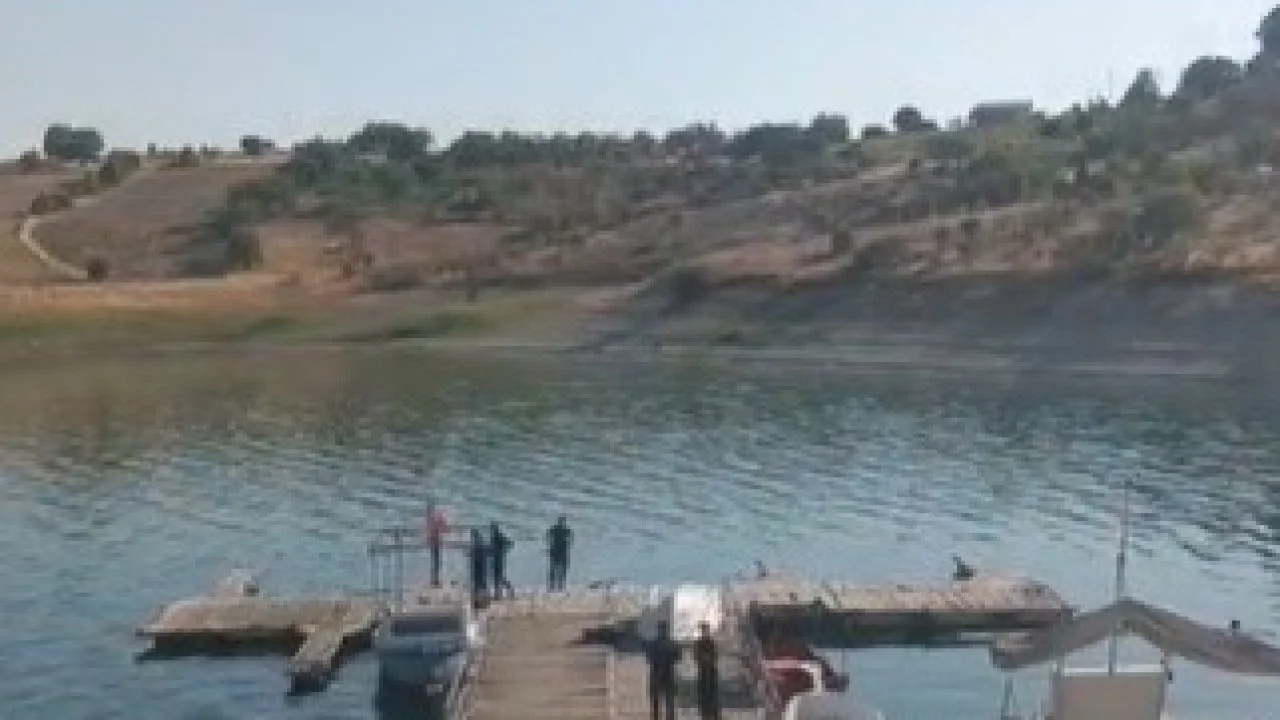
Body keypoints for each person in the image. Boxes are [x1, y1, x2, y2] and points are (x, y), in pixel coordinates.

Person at [645, 621, 681, 720]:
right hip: (665, 674)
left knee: (660, 703)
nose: (662, 631)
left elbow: (649, 658)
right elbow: (677, 657)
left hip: (658, 674)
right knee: (666, 702)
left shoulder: (654, 644)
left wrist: (660, 663)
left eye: (662, 629)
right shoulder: (671, 644)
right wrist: (667, 662)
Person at [693, 622, 721, 720]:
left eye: (706, 630)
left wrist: (708, 659)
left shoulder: (712, 642)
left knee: (713, 693)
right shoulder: (698, 643)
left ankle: (714, 713)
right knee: (703, 693)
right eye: (704, 630)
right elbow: (696, 656)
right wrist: (704, 659)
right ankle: (705, 713)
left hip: (711, 670)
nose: (705, 632)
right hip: (703, 671)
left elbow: (715, 655)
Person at [423, 504, 449, 588]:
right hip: (436, 541)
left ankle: (434, 579)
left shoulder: (430, 519)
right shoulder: (434, 518)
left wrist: (429, 538)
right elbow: (441, 528)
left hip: (434, 540)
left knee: (435, 561)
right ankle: (435, 580)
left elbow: (430, 530)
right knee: (436, 562)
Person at [546, 515, 572, 591]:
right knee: (560, 569)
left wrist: (550, 548)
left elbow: (548, 538)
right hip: (561, 551)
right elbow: (570, 541)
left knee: (555, 569)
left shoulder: (555, 529)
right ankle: (558, 586)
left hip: (557, 550)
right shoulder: (566, 530)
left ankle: (554, 586)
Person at [489, 521, 514, 600]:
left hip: (498, 560)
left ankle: (507, 590)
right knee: (497, 578)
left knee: (498, 578)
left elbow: (509, 543)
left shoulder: (497, 537)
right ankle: (498, 594)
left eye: (492, 529)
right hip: (497, 560)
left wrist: (504, 549)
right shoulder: (495, 537)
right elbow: (509, 544)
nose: (491, 531)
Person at [468, 528, 489, 608]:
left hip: (476, 566)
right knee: (482, 583)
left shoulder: (475, 544)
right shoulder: (480, 544)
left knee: (477, 584)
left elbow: (472, 554)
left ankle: (477, 601)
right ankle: (483, 600)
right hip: (481, 566)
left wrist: (470, 554)